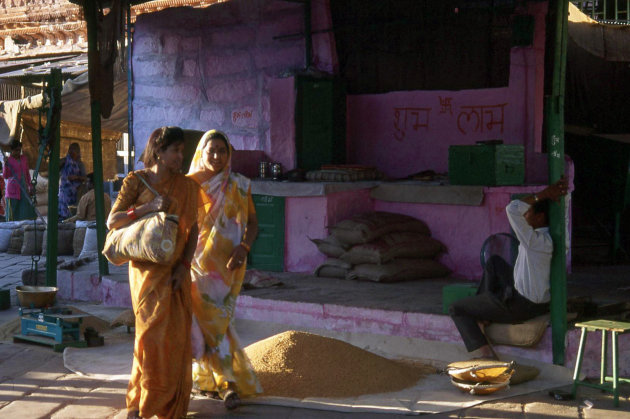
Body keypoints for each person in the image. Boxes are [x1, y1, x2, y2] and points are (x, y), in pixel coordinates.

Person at [107, 126, 200, 419]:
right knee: (149, 337)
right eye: (175, 151)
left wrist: (184, 267)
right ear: (158, 152)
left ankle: (168, 404)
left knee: (176, 339)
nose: (180, 157)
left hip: (176, 270)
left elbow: (193, 228)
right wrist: (148, 207)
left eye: (182, 151)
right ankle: (142, 402)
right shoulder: (136, 180)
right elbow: (113, 221)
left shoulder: (187, 186)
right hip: (146, 273)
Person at [449, 177, 569, 357]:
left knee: (457, 309)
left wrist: (543, 195)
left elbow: (512, 209)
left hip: (521, 306)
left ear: (539, 217)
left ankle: (484, 352)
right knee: (494, 263)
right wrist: (559, 194)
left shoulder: (535, 241)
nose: (525, 216)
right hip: (535, 299)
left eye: (528, 213)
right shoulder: (551, 236)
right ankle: (484, 316)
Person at [187, 130, 262, 409]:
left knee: (218, 322)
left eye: (222, 151)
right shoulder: (187, 184)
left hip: (226, 267)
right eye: (212, 150)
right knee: (214, 324)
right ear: (201, 152)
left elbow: (253, 222)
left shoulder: (239, 184)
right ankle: (227, 383)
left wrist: (244, 247)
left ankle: (213, 380)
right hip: (193, 264)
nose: (217, 156)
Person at [3, 139, 35, 221]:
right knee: (13, 213)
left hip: (23, 189)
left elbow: (27, 174)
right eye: (16, 150)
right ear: (11, 150)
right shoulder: (8, 160)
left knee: (25, 211)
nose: (18, 152)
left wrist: (30, 186)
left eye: (19, 150)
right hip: (13, 191)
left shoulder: (24, 158)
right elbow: (6, 176)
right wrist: (5, 165)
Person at [59, 142, 87, 219]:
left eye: (73, 150)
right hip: (64, 190)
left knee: (74, 209)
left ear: (77, 152)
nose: (71, 152)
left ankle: (71, 218)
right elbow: (55, 168)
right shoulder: (64, 161)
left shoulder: (80, 164)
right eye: (70, 150)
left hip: (76, 192)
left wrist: (76, 177)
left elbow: (85, 178)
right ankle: (63, 218)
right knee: (62, 202)